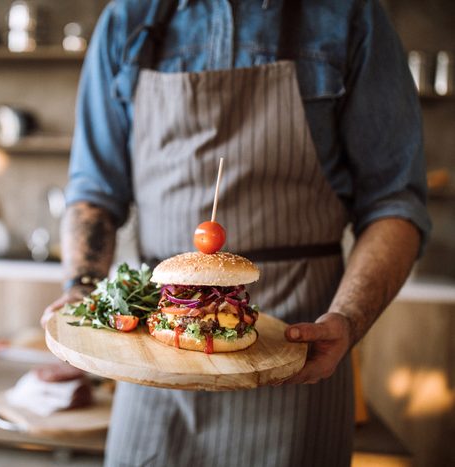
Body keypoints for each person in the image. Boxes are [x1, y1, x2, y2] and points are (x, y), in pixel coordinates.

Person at [43, 0, 430, 466]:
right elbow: (93, 192)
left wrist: (346, 317)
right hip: (153, 356)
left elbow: (394, 203)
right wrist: (81, 289)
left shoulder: (350, 14)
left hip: (299, 351)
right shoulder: (129, 18)